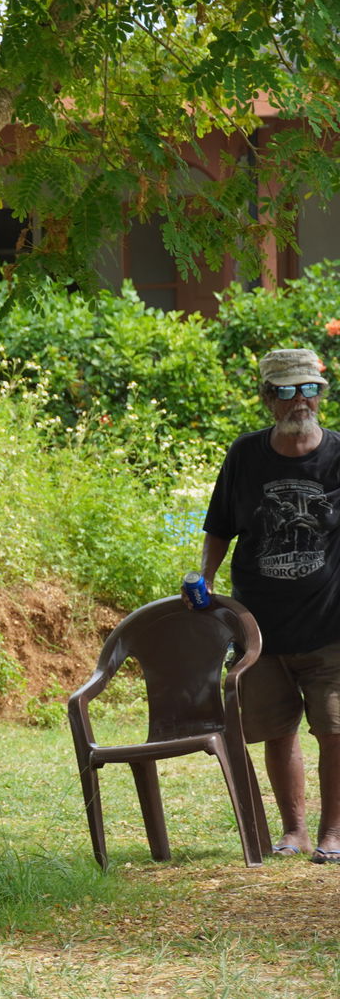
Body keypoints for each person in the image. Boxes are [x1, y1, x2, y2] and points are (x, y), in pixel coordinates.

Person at [200, 347, 340, 865]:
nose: (301, 400)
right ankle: (295, 831)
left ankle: (333, 833)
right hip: (259, 627)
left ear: (321, 393)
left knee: (335, 729)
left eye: (310, 389)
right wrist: (204, 577)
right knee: (277, 730)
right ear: (267, 398)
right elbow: (219, 526)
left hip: (330, 624)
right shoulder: (245, 454)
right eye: (287, 390)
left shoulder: (339, 454)